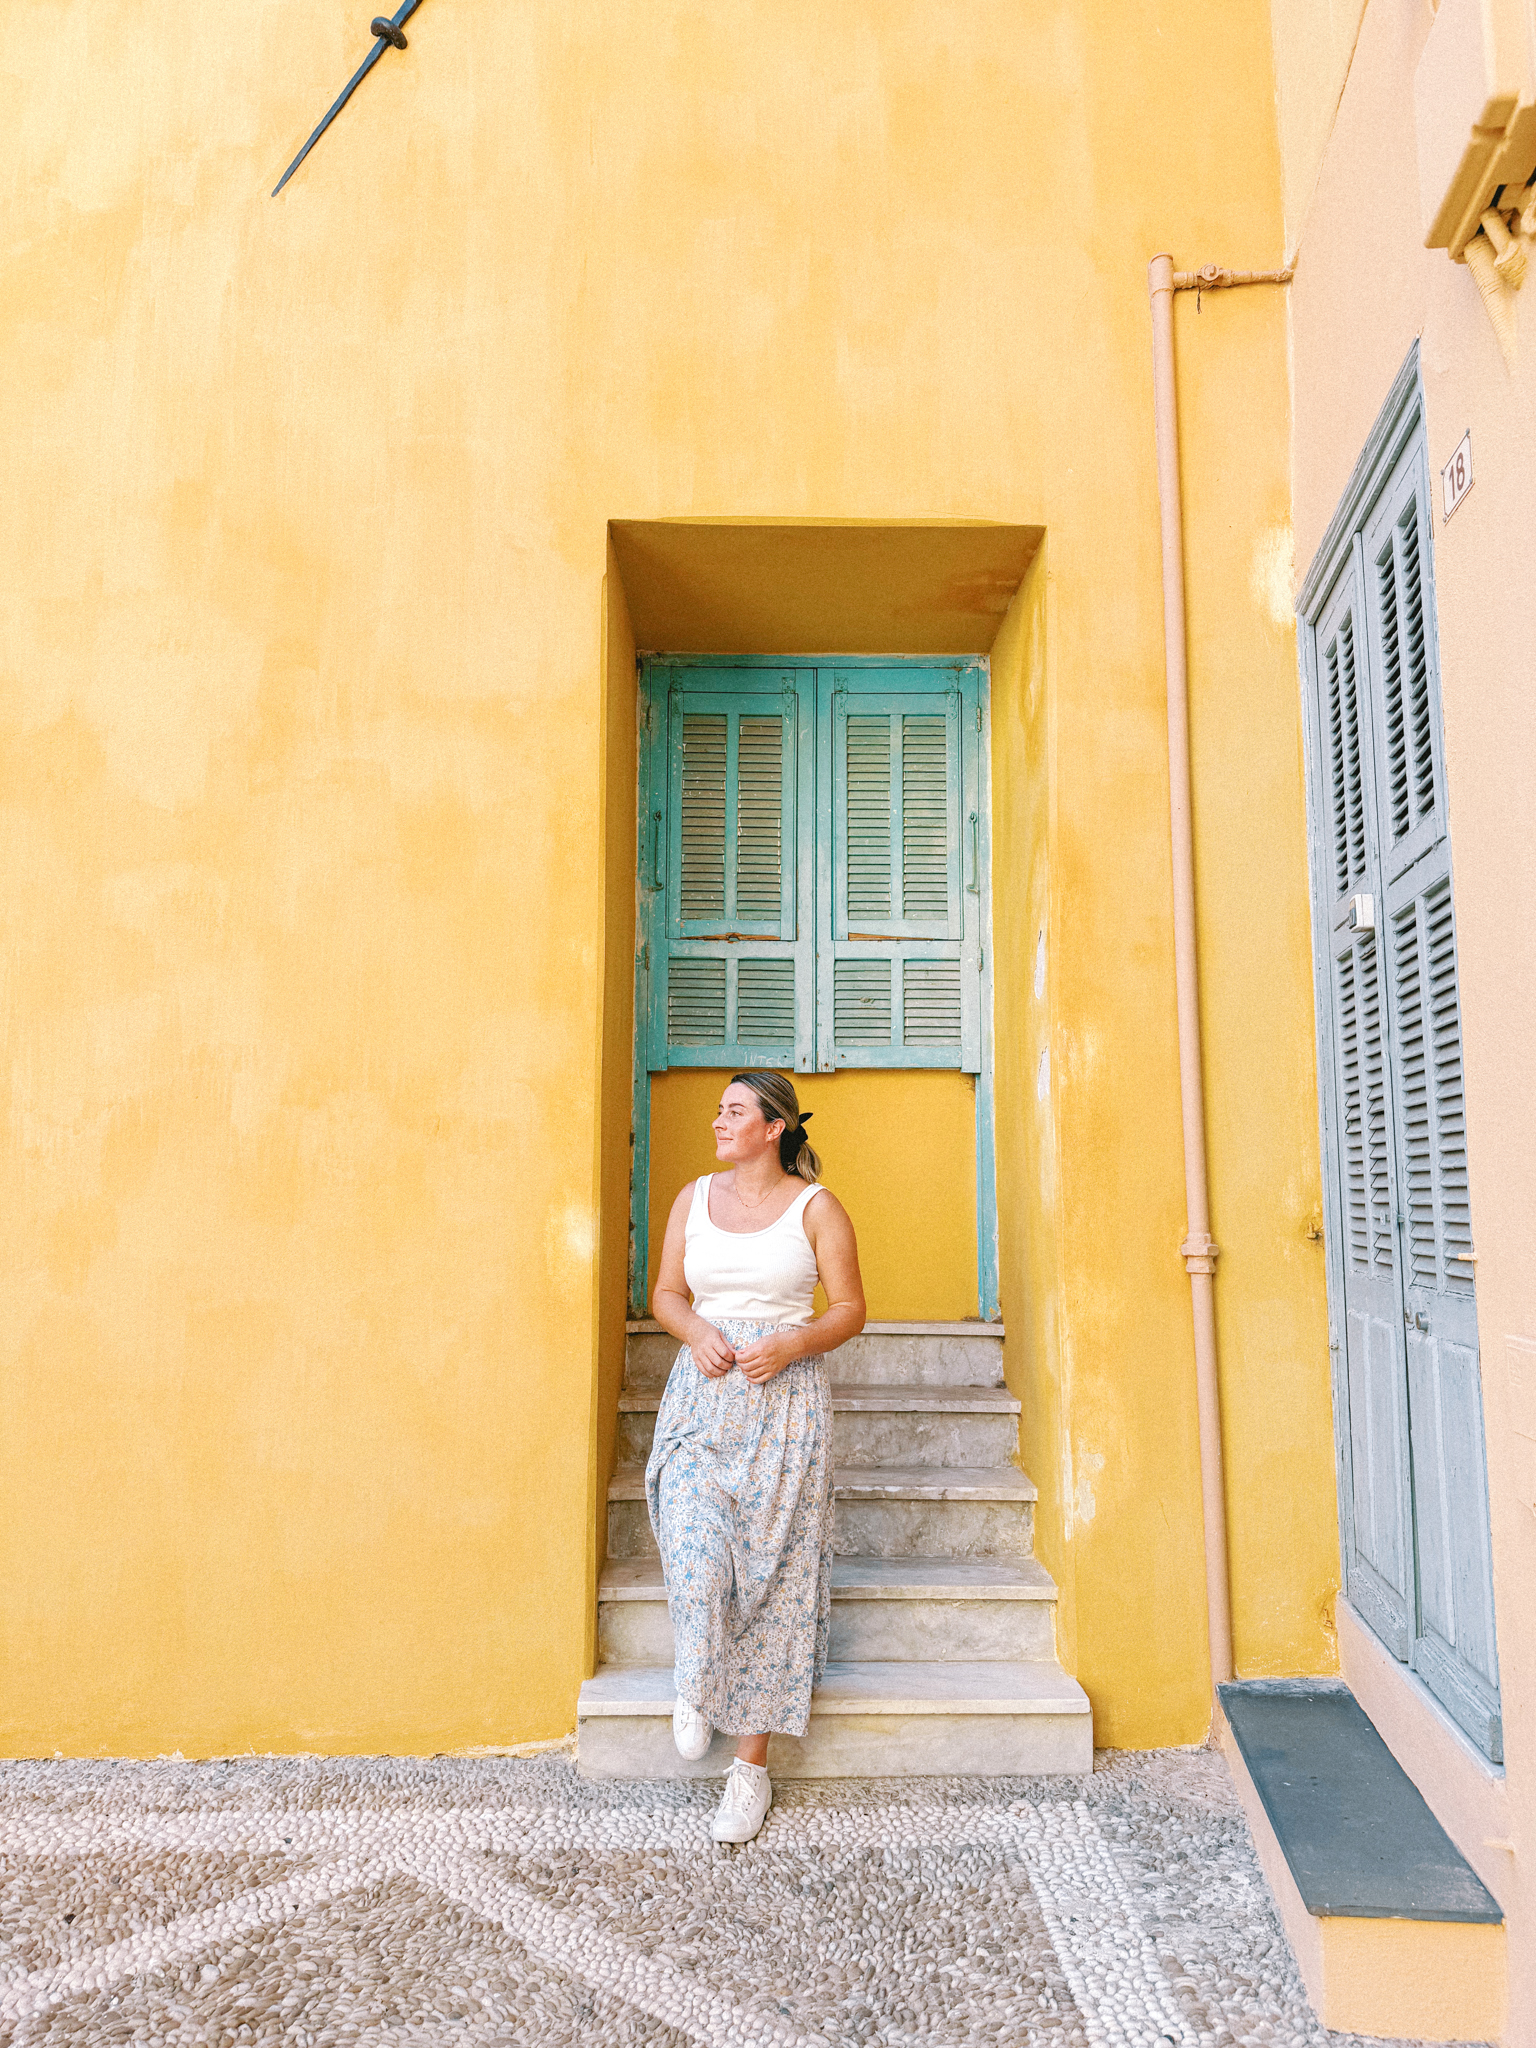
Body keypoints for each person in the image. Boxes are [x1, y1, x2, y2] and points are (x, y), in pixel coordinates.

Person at [646, 1071, 866, 1843]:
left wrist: (792, 1342)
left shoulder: (816, 1208)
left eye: (734, 1111)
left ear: (774, 1128)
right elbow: (666, 1294)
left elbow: (850, 1310)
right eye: (719, 1110)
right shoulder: (692, 1199)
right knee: (699, 1556)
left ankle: (750, 1771)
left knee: (772, 1578)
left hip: (784, 1409)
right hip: (703, 1405)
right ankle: (694, 1681)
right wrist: (697, 1332)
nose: (718, 1121)